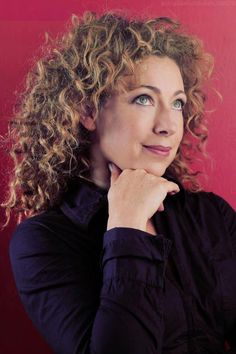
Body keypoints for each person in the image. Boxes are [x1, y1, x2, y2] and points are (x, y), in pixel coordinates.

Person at [1, 10, 235, 354]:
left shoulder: (210, 216)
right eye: (144, 98)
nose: (168, 125)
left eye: (177, 103)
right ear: (88, 111)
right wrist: (126, 228)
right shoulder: (43, 242)